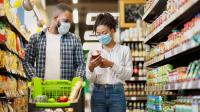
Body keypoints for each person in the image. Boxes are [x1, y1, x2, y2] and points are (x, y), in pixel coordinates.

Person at [23, 3, 85, 80]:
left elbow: (80, 64)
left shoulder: (74, 39)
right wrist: (33, 77)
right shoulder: (36, 38)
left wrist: (78, 77)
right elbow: (27, 62)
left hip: (66, 89)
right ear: (55, 18)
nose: (68, 24)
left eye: (69, 22)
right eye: (66, 21)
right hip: (42, 89)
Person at [86, 13, 133, 112]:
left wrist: (111, 65)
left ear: (112, 30)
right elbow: (90, 79)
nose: (101, 36)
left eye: (104, 32)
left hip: (117, 93)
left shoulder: (124, 50)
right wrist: (91, 68)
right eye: (98, 34)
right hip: (97, 92)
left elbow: (128, 75)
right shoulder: (93, 52)